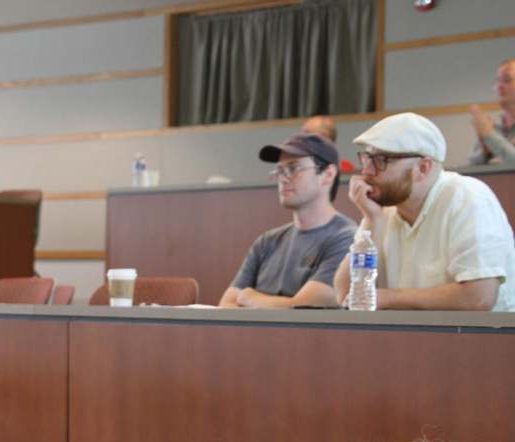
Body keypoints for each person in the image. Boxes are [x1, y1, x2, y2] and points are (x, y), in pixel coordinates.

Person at [334, 112, 515, 311]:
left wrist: (386, 298)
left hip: (485, 340)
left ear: (423, 168)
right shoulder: (383, 211)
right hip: (420, 340)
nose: (366, 171)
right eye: (366, 158)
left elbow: (479, 296)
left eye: (381, 160)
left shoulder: (467, 197)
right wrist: (371, 220)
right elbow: (345, 295)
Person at [219, 133, 356, 309]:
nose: (283, 178)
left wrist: (248, 297)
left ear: (328, 175)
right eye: (280, 171)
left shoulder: (347, 239)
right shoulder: (267, 241)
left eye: (294, 168)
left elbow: (304, 309)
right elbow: (227, 304)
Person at [469, 58, 515, 165]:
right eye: (497, 81)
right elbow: (472, 167)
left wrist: (489, 135)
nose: (499, 86)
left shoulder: (489, 131)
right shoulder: (494, 127)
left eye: (506, 80)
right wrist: (485, 151)